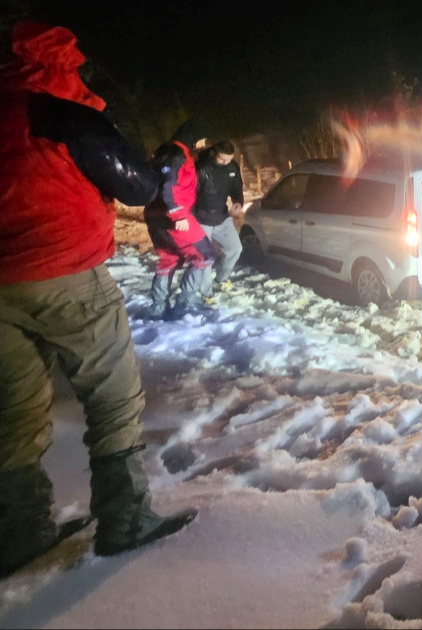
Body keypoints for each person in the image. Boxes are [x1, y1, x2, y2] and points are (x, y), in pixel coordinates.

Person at [0, 21, 196, 576]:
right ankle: (125, 518)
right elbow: (136, 185)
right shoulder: (59, 112)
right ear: (60, 63)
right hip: (62, 273)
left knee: (13, 411)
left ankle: (21, 533)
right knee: (112, 394)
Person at [144, 120, 217, 319]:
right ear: (194, 136)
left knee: (168, 258)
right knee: (205, 255)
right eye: (202, 139)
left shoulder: (170, 152)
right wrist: (178, 213)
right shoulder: (176, 155)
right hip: (174, 217)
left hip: (157, 216)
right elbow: (168, 186)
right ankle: (186, 304)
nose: (203, 143)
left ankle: (159, 309)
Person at [194, 140, 245, 298]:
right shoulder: (202, 168)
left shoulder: (232, 167)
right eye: (222, 159)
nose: (225, 163)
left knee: (235, 249)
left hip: (222, 217)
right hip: (201, 218)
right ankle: (206, 294)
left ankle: (222, 279)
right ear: (214, 154)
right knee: (205, 257)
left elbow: (236, 188)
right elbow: (190, 193)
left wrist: (238, 201)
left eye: (228, 159)